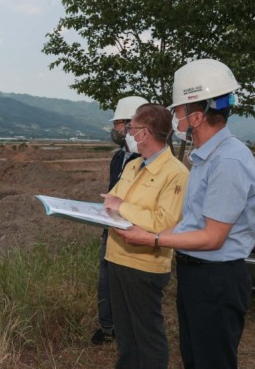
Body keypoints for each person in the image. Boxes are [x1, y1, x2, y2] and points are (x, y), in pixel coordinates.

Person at [114, 58, 255, 369]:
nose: (174, 119)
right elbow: (192, 223)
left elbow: (212, 237)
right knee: (195, 358)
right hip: (198, 274)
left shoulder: (228, 162)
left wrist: (153, 238)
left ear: (196, 116)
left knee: (212, 360)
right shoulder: (207, 158)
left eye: (178, 110)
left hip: (216, 279)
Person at [102, 103, 189, 368]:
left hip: (144, 265)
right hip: (117, 257)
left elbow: (165, 221)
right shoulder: (132, 166)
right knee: (126, 336)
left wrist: (123, 208)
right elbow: (111, 201)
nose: (128, 132)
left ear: (145, 133)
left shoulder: (176, 174)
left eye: (133, 128)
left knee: (147, 335)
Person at [91, 96, 147, 345]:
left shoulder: (144, 161)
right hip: (111, 230)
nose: (114, 129)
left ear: (130, 125)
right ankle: (108, 327)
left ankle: (130, 330)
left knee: (130, 286)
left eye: (117, 124)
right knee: (106, 281)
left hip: (134, 233)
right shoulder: (118, 158)